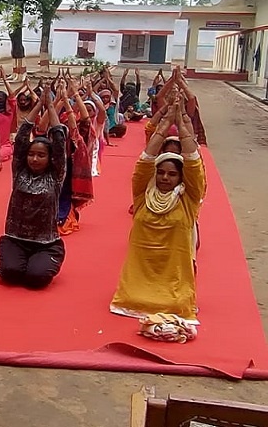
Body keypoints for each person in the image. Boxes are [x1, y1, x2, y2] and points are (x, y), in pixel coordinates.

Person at [110, 97, 206, 321]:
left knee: (175, 303)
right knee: (135, 299)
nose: (165, 177)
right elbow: (144, 162)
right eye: (161, 172)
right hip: (137, 282)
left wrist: (182, 126)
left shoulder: (189, 198)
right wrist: (163, 127)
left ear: (182, 177)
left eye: (172, 174)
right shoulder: (143, 194)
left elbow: (193, 162)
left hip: (173, 282)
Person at [0, 88, 67, 289]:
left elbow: (59, 140)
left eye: (41, 155)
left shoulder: (55, 176)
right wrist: (38, 105)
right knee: (10, 275)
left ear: (50, 158)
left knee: (36, 279)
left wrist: (51, 106)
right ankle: (8, 254)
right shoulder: (19, 171)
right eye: (32, 154)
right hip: (15, 238)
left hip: (46, 243)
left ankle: (53, 257)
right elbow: (21, 138)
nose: (35, 159)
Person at [57, 78, 94, 235]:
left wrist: (73, 96)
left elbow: (83, 121)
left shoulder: (81, 136)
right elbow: (53, 116)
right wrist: (62, 97)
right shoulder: (57, 132)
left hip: (71, 169)